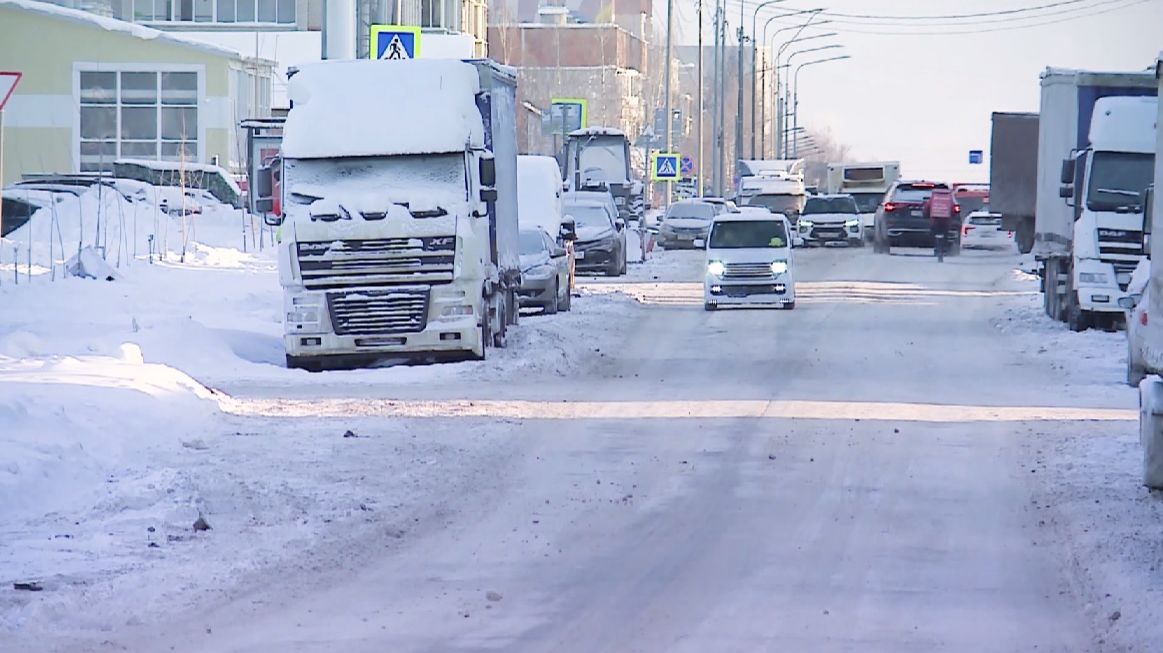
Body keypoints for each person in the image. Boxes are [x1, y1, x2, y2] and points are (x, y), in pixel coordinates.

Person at [925, 188, 955, 258]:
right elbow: (953, 210)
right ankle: (944, 249)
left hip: (935, 221)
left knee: (934, 234)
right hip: (946, 222)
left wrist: (926, 215)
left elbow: (927, 208)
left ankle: (936, 249)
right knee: (945, 235)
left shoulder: (933, 198)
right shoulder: (949, 198)